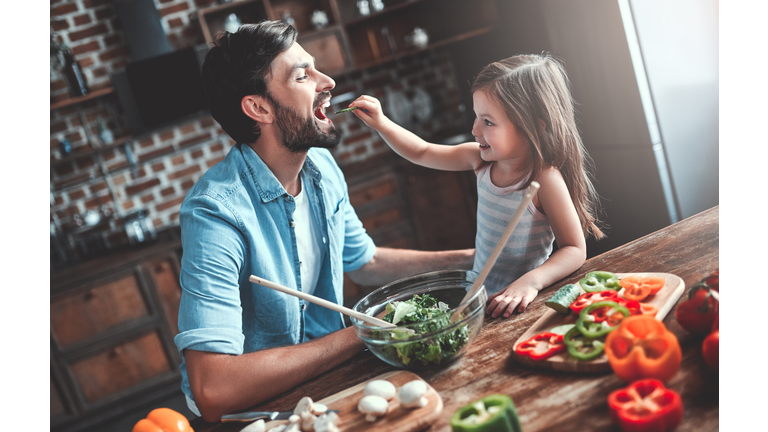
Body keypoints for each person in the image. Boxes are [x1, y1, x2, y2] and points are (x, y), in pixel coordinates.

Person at [173, 21, 474, 422]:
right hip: (253, 419)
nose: (327, 81)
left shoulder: (320, 168)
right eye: (303, 75)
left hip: (324, 386)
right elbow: (213, 389)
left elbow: (364, 262)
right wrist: (363, 331)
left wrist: (477, 259)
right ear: (258, 108)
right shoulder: (215, 213)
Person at [347, 53, 605, 320]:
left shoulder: (544, 179)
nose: (475, 129)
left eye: (488, 121)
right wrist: (382, 124)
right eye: (476, 117)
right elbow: (422, 152)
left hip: (522, 305)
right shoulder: (479, 160)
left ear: (534, 130)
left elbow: (574, 249)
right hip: (480, 301)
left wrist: (531, 282)